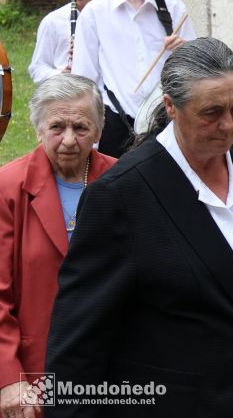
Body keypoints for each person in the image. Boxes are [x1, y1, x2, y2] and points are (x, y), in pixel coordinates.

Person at [45, 38, 233, 418]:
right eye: (211, 112)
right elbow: (76, 346)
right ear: (171, 107)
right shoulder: (120, 197)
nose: (229, 125)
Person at [0, 74, 115, 418]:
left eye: (81, 128)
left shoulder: (124, 182)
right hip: (34, 375)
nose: (68, 140)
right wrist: (8, 378)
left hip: (111, 371)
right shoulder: (7, 188)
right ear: (38, 130)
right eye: (56, 127)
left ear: (98, 130)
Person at [72, 0, 196, 158]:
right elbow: (85, 79)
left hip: (168, 122)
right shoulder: (94, 13)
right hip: (116, 124)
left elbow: (196, 71)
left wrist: (184, 51)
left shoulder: (172, 7)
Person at [28, 0, 113, 83]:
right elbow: (37, 68)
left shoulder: (115, 17)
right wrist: (61, 75)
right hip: (69, 96)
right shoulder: (53, 21)